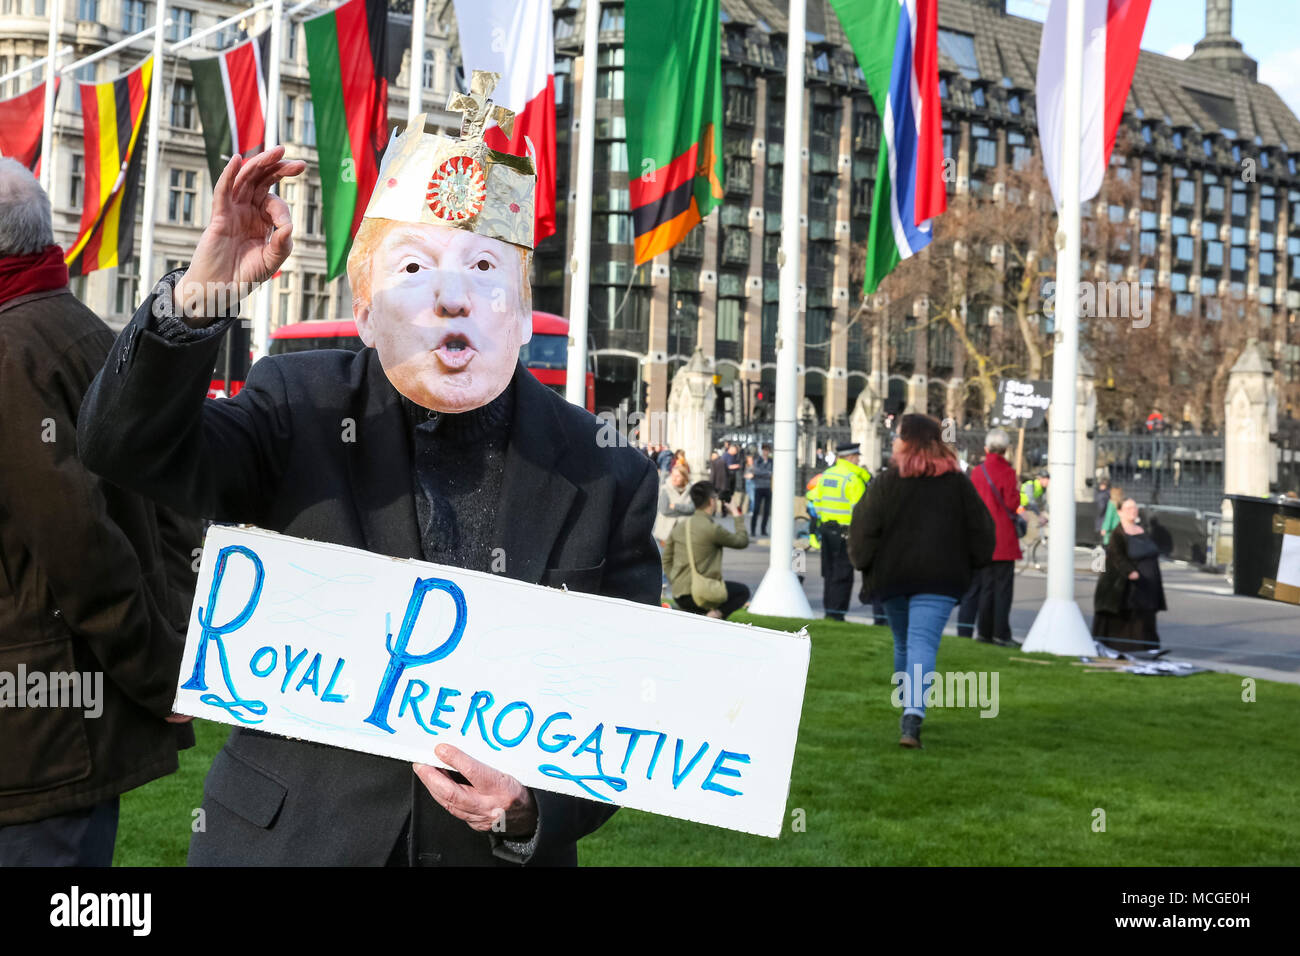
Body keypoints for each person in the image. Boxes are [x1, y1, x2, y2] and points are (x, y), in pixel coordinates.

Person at [75, 79, 661, 867]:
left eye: (485, 269)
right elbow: (122, 446)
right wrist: (207, 286)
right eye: (416, 269)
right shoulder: (296, 404)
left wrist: (527, 812)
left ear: (522, 310)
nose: (453, 298)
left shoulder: (606, 471)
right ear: (365, 310)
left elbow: (622, 707)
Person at [0, 158, 199, 865]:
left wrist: (161, 671)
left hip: (39, 741)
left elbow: (80, 546)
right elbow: (175, 508)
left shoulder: (11, 351)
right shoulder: (84, 327)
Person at [848, 415, 994, 749]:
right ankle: (912, 712)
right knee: (922, 643)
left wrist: (863, 562)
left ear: (910, 441)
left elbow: (863, 529)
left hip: (894, 575)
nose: (894, 441)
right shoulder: (958, 483)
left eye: (898, 435)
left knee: (904, 642)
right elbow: (982, 531)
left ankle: (908, 707)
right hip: (941, 578)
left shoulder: (886, 482)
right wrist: (973, 564)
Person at [957, 428, 1021, 646]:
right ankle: (1000, 632)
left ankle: (984, 631)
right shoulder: (1008, 473)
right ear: (1005, 449)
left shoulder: (977, 472)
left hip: (983, 537)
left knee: (985, 588)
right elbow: (1012, 504)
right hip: (1003, 538)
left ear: (986, 448)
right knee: (1003, 590)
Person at [662, 481, 750, 619]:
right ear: (711, 501)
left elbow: (666, 559)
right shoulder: (712, 529)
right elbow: (742, 541)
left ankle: (702, 616)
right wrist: (736, 513)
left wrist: (675, 579)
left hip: (679, 593)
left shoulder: (680, 526)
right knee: (742, 592)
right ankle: (713, 616)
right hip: (702, 594)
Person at [805, 441, 871, 620]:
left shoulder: (827, 475)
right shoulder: (853, 479)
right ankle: (838, 613)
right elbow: (862, 511)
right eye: (857, 457)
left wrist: (822, 521)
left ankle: (829, 611)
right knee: (843, 575)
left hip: (827, 530)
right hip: (845, 534)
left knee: (829, 573)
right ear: (850, 457)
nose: (858, 460)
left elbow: (815, 501)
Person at [1092, 498, 1166, 654]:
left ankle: (1149, 647)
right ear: (1119, 512)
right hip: (1127, 586)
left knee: (1146, 616)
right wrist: (1130, 572)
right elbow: (1116, 555)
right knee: (1130, 616)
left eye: (1134, 507)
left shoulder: (1142, 530)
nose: (1132, 510)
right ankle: (1124, 647)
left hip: (1148, 586)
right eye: (1128, 508)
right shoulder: (1118, 534)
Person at [652, 464, 695, 545]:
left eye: (678, 476)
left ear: (684, 477)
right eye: (673, 475)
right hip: (666, 532)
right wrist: (684, 511)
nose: (674, 478)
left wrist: (675, 506)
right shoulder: (665, 489)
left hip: (684, 531)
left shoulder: (690, 491)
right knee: (665, 557)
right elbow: (665, 510)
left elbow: (692, 509)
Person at [748, 443, 773, 537]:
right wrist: (767, 473)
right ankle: (753, 530)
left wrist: (764, 473)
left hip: (768, 487)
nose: (766, 452)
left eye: (767, 450)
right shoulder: (758, 460)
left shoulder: (771, 461)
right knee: (756, 509)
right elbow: (756, 471)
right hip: (759, 487)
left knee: (766, 511)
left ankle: (763, 529)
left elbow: (773, 472)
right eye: (764, 450)